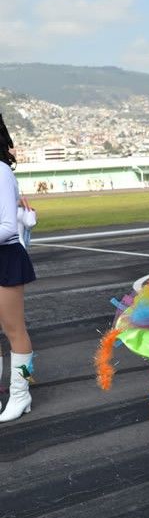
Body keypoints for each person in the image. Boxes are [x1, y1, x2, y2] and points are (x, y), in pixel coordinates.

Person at [0, 119, 36, 422]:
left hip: (6, 256)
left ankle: (21, 394)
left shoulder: (1, 171)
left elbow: (9, 227)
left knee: (15, 331)